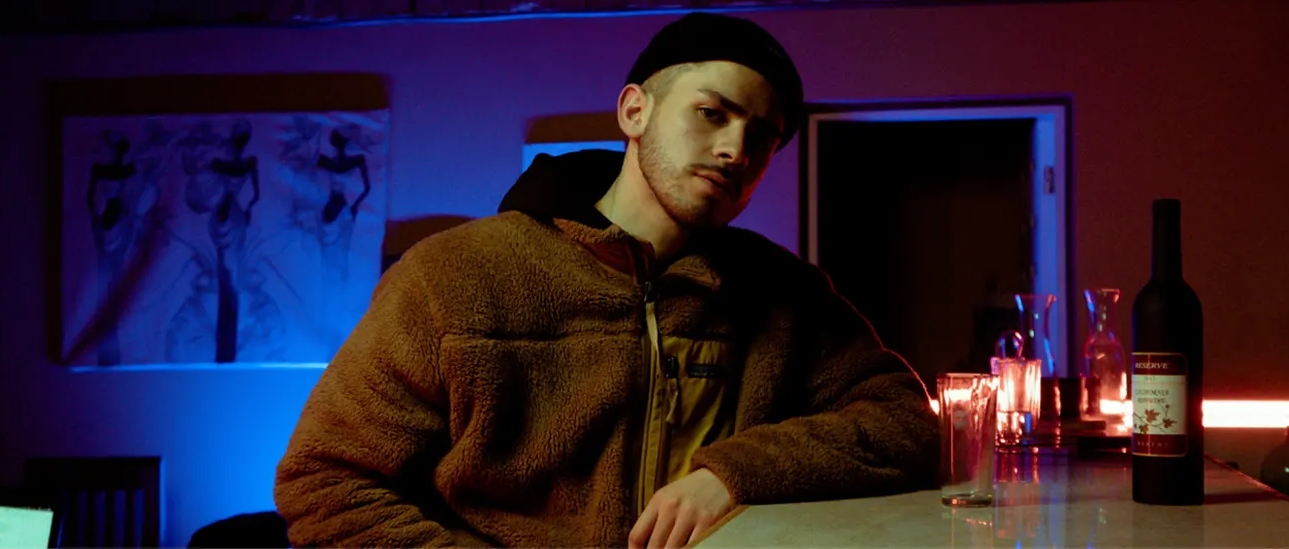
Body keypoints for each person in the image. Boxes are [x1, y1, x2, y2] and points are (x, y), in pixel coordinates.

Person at [275, 12, 937, 549]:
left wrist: (733, 475)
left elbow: (910, 422)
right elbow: (326, 482)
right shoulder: (452, 276)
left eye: (762, 136)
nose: (736, 150)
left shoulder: (784, 292)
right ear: (634, 111)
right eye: (712, 112)